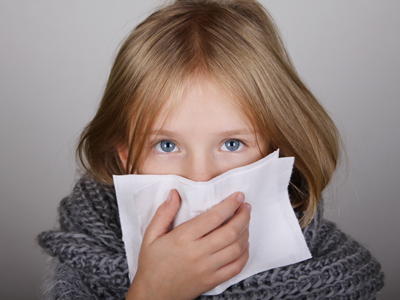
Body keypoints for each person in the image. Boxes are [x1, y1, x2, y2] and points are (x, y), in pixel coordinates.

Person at [37, 0, 384, 299]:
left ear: (273, 149)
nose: (201, 177)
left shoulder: (332, 275)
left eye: (232, 144)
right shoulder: (85, 256)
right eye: (167, 145)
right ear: (127, 155)